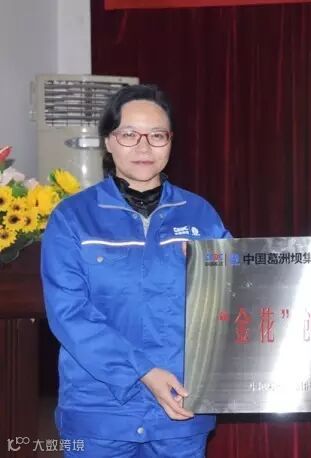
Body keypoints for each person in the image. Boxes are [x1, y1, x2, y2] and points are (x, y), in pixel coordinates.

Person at [41, 84, 231, 457]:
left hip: (181, 407)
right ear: (108, 142)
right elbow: (69, 313)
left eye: (157, 135)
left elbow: (230, 298)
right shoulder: (73, 218)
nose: (144, 147)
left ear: (170, 142)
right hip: (99, 411)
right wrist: (141, 370)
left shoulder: (200, 216)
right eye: (129, 134)